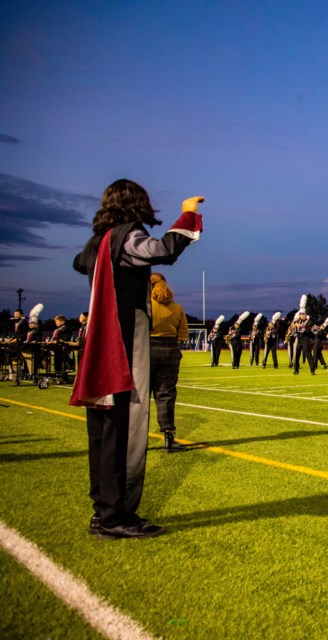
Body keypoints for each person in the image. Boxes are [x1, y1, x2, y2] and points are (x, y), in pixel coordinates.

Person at [70, 179, 202, 539]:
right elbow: (160, 250)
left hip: (98, 341)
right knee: (122, 425)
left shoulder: (98, 241)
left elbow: (78, 263)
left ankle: (103, 510)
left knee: (101, 426)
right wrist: (188, 215)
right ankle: (116, 515)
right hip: (121, 340)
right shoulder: (125, 236)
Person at [149, 272, 188, 452]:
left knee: (138, 396)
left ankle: (135, 440)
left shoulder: (145, 307)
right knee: (166, 394)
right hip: (170, 350)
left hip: (146, 349)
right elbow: (183, 335)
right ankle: (169, 436)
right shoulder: (177, 308)